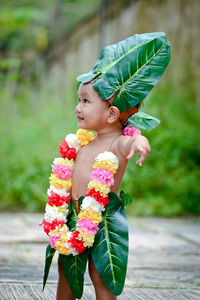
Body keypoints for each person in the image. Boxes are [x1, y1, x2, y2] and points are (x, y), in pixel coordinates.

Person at [42, 32, 170, 300]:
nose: (78, 107)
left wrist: (140, 144)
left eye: (86, 101)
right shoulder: (83, 141)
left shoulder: (117, 143)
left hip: (102, 221)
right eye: (79, 99)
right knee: (66, 270)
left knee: (101, 274)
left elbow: (132, 142)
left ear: (112, 114)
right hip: (73, 214)